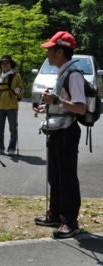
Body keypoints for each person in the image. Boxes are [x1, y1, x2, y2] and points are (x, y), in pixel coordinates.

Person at [33, 31, 86, 238]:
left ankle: (70, 222)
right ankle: (55, 214)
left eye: (50, 50)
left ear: (60, 51)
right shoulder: (63, 72)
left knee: (67, 178)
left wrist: (56, 101)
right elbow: (61, 104)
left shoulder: (73, 74)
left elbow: (80, 108)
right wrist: (47, 107)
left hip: (66, 132)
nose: (47, 53)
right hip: (56, 130)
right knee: (54, 177)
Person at [0, 54, 24, 156]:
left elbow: (21, 90)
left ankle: (11, 148)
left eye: (7, 63)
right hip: (0, 105)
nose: (5, 65)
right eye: (3, 63)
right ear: (1, 65)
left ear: (10, 64)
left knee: (13, 129)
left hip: (12, 105)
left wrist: (18, 92)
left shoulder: (16, 76)